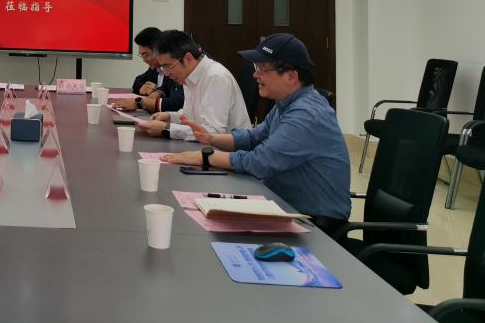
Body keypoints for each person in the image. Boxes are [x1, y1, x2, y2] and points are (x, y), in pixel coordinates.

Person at [162, 33, 351, 229]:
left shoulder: (306, 114)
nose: (255, 75)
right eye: (256, 68)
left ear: (291, 76)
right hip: (284, 205)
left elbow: (260, 161)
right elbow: (253, 137)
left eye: (262, 69)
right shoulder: (286, 104)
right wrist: (211, 138)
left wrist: (206, 156)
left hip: (316, 223)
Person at [134, 30, 251, 140]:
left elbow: (213, 132)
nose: (166, 73)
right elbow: (191, 116)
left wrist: (167, 129)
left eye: (168, 67)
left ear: (188, 58)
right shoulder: (189, 76)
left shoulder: (215, 77)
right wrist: (170, 116)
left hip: (232, 151)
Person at [127, 27, 184, 111]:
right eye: (142, 56)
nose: (144, 60)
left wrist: (140, 103)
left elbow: (176, 102)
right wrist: (143, 88)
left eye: (146, 55)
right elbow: (138, 80)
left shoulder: (175, 68)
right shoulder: (155, 68)